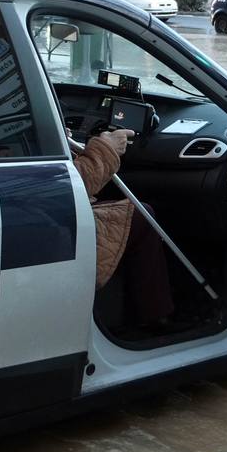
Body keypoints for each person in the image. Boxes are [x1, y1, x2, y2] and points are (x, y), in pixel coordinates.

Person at [73, 128, 178, 334]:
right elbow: (70, 184)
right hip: (48, 226)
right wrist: (106, 149)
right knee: (141, 215)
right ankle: (155, 318)